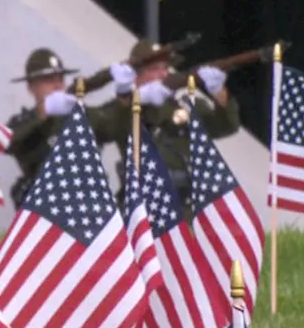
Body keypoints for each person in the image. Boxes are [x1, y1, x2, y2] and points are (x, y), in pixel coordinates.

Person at [93, 39, 239, 213]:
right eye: (154, 69)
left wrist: (219, 91)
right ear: (135, 76)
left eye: (165, 68)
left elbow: (226, 125)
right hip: (143, 208)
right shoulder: (123, 109)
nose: (162, 74)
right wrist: (132, 98)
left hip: (185, 206)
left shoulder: (185, 104)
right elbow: (101, 127)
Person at [4, 47, 117, 209]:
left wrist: (125, 96)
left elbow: (114, 127)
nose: (57, 86)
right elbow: (5, 142)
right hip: (43, 207)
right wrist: (42, 114)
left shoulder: (80, 115)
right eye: (49, 80)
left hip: (85, 206)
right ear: (31, 87)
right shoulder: (24, 122)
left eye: (60, 79)